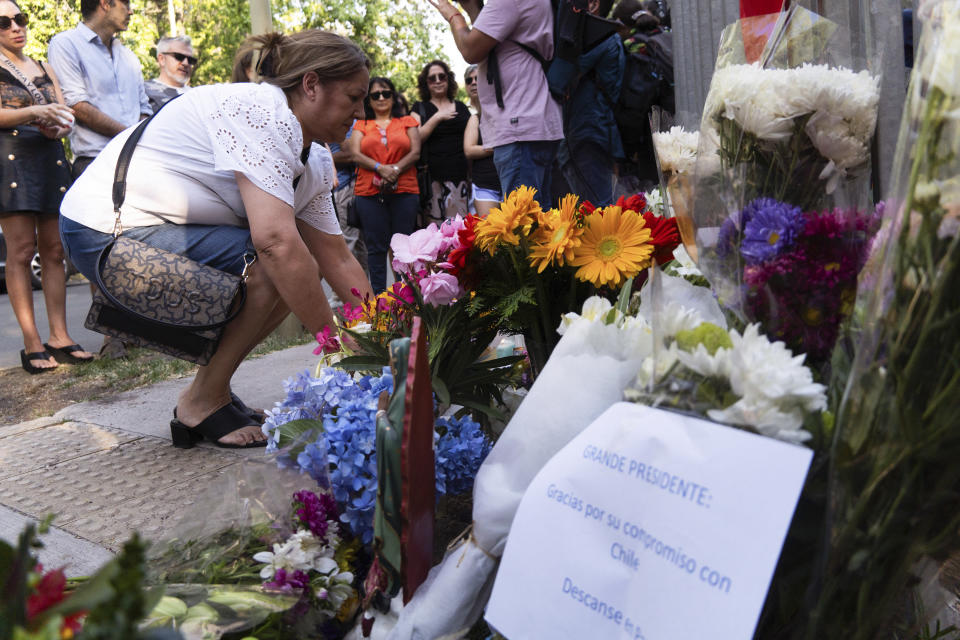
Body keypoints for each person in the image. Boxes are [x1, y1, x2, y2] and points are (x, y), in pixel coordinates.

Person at [59, 30, 374, 448]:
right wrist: (340, 348)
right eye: (354, 97)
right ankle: (203, 401)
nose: (361, 110)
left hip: (143, 229)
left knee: (292, 269)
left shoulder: (312, 155)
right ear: (311, 84)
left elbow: (337, 258)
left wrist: (381, 338)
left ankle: (209, 393)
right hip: (101, 231)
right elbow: (276, 243)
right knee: (272, 264)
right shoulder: (260, 112)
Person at [48, 0, 153, 359]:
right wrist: (130, 134)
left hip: (137, 158)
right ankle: (114, 337)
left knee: (139, 243)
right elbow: (77, 105)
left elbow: (144, 105)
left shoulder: (128, 55)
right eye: (127, 4)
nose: (132, 10)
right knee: (102, 245)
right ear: (106, 4)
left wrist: (139, 139)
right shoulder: (66, 44)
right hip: (95, 159)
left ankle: (142, 329)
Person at [0, 0, 93, 373]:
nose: (15, 27)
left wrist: (59, 125)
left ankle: (60, 337)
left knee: (55, 252)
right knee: (21, 252)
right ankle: (32, 343)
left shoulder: (43, 67)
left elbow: (63, 112)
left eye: (19, 19)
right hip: (11, 159)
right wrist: (35, 112)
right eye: (3, 23)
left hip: (49, 155)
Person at [427, 0, 562, 202]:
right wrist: (473, 6)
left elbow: (471, 50)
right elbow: (486, 41)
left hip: (519, 129)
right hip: (532, 123)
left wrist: (453, 15)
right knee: (539, 223)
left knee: (523, 227)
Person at [549, 0, 624, 206]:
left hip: (588, 134)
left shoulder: (600, 38)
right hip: (586, 133)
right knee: (590, 209)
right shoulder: (603, 37)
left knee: (598, 211)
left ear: (592, 4)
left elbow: (557, 79)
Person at [349, 77, 421, 294]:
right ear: (368, 100)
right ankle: (380, 302)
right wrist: (381, 168)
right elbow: (354, 153)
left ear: (394, 97)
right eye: (375, 95)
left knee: (403, 248)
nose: (381, 98)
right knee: (376, 248)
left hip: (405, 190)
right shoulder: (361, 124)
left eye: (386, 93)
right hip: (369, 192)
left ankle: (407, 299)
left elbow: (415, 151)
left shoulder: (407, 121)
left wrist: (396, 169)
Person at [411, 59, 471, 223]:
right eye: (432, 78)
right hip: (432, 181)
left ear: (448, 79)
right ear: (426, 83)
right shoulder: (419, 108)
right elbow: (415, 139)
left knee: (458, 232)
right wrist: (437, 117)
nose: (437, 81)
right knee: (434, 235)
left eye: (441, 77)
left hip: (460, 179)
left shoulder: (461, 107)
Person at [462, 64, 501, 217]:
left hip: (511, 180)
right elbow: (469, 150)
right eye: (469, 80)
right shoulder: (474, 117)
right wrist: (497, 147)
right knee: (491, 236)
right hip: (484, 184)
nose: (473, 82)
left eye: (477, 78)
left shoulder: (504, 108)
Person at [144, 34, 197, 112]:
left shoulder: (197, 95)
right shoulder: (143, 91)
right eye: (179, 57)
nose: (185, 63)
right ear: (162, 59)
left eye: (190, 60)